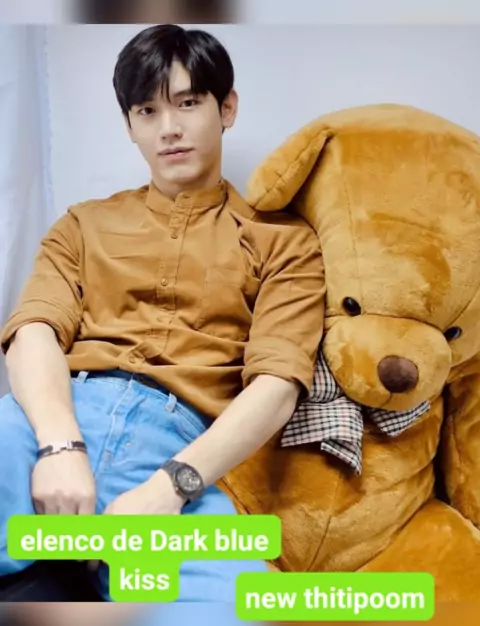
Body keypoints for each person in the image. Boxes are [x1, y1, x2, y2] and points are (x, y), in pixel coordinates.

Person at [0, 24, 325, 603]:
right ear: (129, 125)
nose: (168, 128)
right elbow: (33, 332)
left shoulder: (285, 243)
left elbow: (277, 386)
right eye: (147, 111)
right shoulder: (83, 223)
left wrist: (172, 486)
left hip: (177, 449)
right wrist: (59, 446)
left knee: (239, 607)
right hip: (45, 420)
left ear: (227, 108)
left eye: (188, 103)